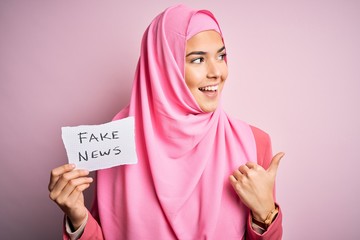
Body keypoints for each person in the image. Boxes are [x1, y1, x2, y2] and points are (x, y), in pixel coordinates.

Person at [49, 4, 284, 240]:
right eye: (198, 60)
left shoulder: (253, 143)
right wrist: (78, 218)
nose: (217, 72)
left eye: (221, 56)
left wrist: (264, 213)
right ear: (164, 65)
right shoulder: (119, 138)